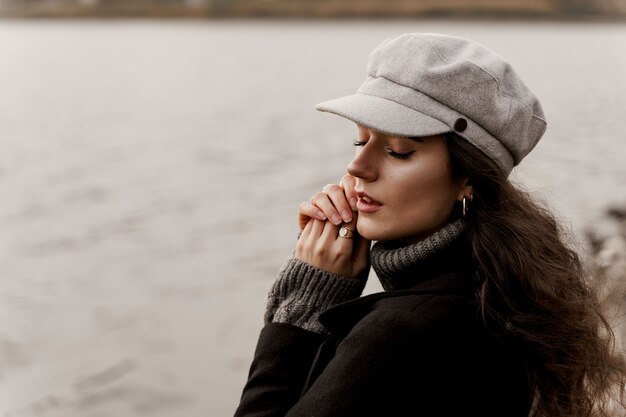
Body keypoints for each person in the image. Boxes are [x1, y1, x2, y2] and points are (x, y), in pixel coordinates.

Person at [234, 33, 626, 417]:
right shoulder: (498, 288)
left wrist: (303, 308)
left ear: (467, 177)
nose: (357, 167)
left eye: (398, 151)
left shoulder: (400, 334)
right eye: (361, 141)